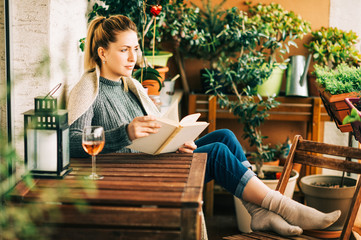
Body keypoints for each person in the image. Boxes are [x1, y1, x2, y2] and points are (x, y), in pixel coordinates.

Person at [67, 15, 341, 236]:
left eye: (135, 49)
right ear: (102, 52)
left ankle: (258, 214)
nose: (133, 57)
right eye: (124, 50)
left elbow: (153, 128)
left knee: (225, 137)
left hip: (151, 159)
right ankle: (284, 207)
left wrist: (175, 138)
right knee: (218, 154)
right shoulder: (88, 90)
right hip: (135, 172)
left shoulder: (130, 86)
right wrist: (124, 133)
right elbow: (69, 142)